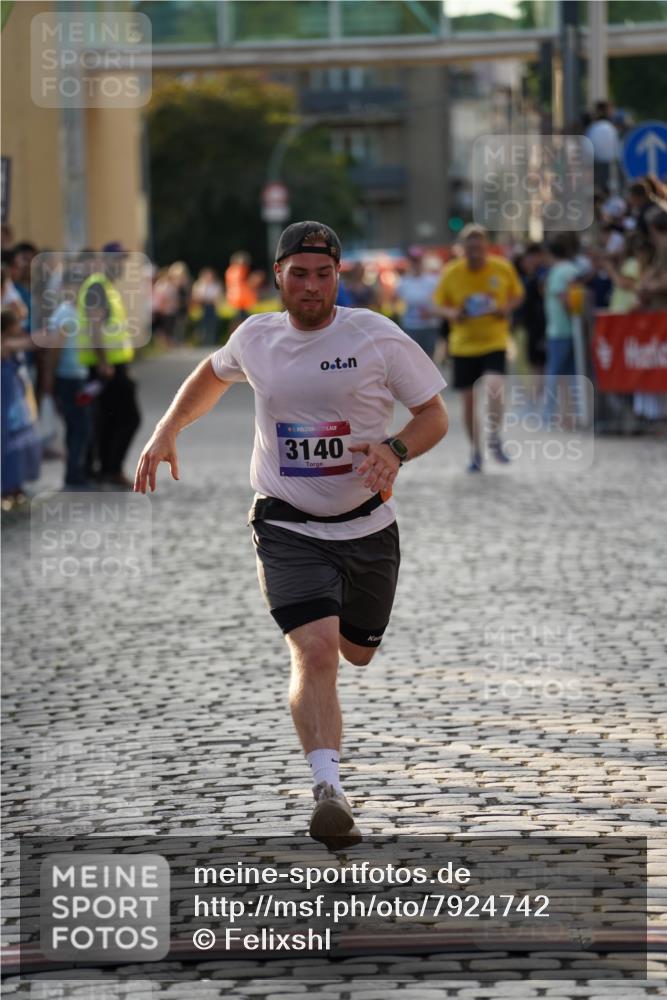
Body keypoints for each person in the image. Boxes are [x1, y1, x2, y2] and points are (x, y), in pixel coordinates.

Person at [133, 221, 448, 848]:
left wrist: (394, 449)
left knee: (357, 651)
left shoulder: (375, 337)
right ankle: (328, 789)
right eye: (298, 274)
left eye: (322, 274)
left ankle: (330, 763)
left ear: (338, 277)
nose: (310, 287)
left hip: (367, 527)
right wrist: (170, 426)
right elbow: (212, 371)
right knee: (315, 651)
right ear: (277, 276)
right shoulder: (256, 336)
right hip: (285, 522)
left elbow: (432, 415)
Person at [433, 224, 524, 472]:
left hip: (494, 340)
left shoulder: (501, 267)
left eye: (479, 247)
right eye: (470, 248)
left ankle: (494, 435)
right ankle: (476, 451)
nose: (474, 252)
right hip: (462, 345)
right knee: (469, 402)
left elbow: (517, 294)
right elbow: (438, 305)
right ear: (463, 249)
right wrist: (453, 312)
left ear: (486, 247)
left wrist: (506, 308)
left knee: (495, 386)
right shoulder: (452, 272)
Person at [77, 242, 141, 488]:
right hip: (105, 367)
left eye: (123, 261)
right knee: (127, 418)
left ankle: (104, 469)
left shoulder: (105, 287)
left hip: (113, 365)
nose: (120, 266)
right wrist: (104, 361)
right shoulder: (97, 286)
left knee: (110, 419)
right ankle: (109, 468)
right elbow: (95, 326)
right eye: (116, 260)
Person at [543, 238, 581, 428]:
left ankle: (551, 414)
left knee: (556, 374)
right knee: (569, 375)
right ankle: (568, 416)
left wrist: (573, 319)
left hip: (560, 329)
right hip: (567, 329)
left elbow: (565, 299)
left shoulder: (560, 271)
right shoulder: (572, 268)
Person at [396, 247, 441, 359]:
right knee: (413, 360)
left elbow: (440, 302)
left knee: (429, 360)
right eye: (413, 260)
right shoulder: (403, 282)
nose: (415, 263)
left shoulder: (433, 281)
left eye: (418, 260)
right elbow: (397, 303)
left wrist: (432, 312)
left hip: (429, 326)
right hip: (411, 326)